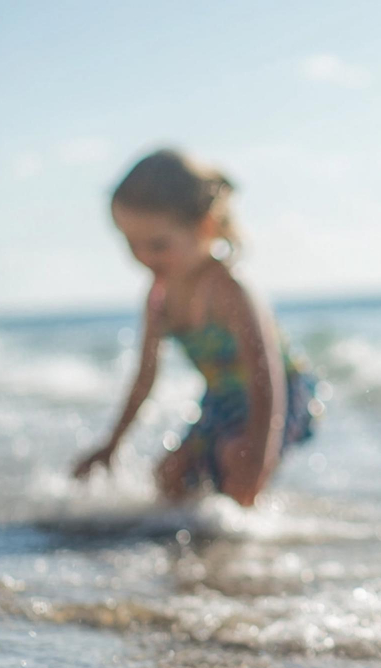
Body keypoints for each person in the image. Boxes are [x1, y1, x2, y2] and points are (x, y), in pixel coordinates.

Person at [73, 149, 318, 506]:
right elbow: (145, 377)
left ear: (204, 227)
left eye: (157, 245)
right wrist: (112, 444)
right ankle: (196, 542)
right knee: (168, 475)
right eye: (130, 243)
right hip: (220, 401)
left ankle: (244, 544)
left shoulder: (229, 289)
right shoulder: (158, 298)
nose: (142, 257)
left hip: (280, 397)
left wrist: (260, 455)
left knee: (238, 460)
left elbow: (265, 373)